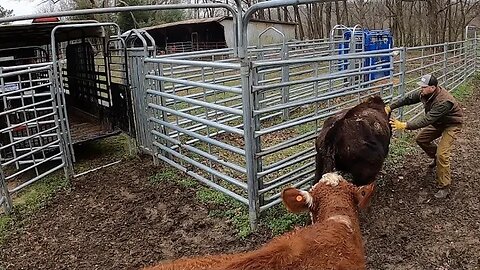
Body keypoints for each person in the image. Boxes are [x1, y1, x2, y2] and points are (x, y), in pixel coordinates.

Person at [385, 74, 463, 198]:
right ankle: (436, 159)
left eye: (424, 87)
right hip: (438, 122)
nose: (421, 89)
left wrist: (405, 125)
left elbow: (426, 120)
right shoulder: (425, 93)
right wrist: (390, 107)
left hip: (451, 124)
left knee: (442, 154)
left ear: (432, 87)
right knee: (421, 139)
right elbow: (408, 99)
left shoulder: (444, 101)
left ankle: (444, 186)